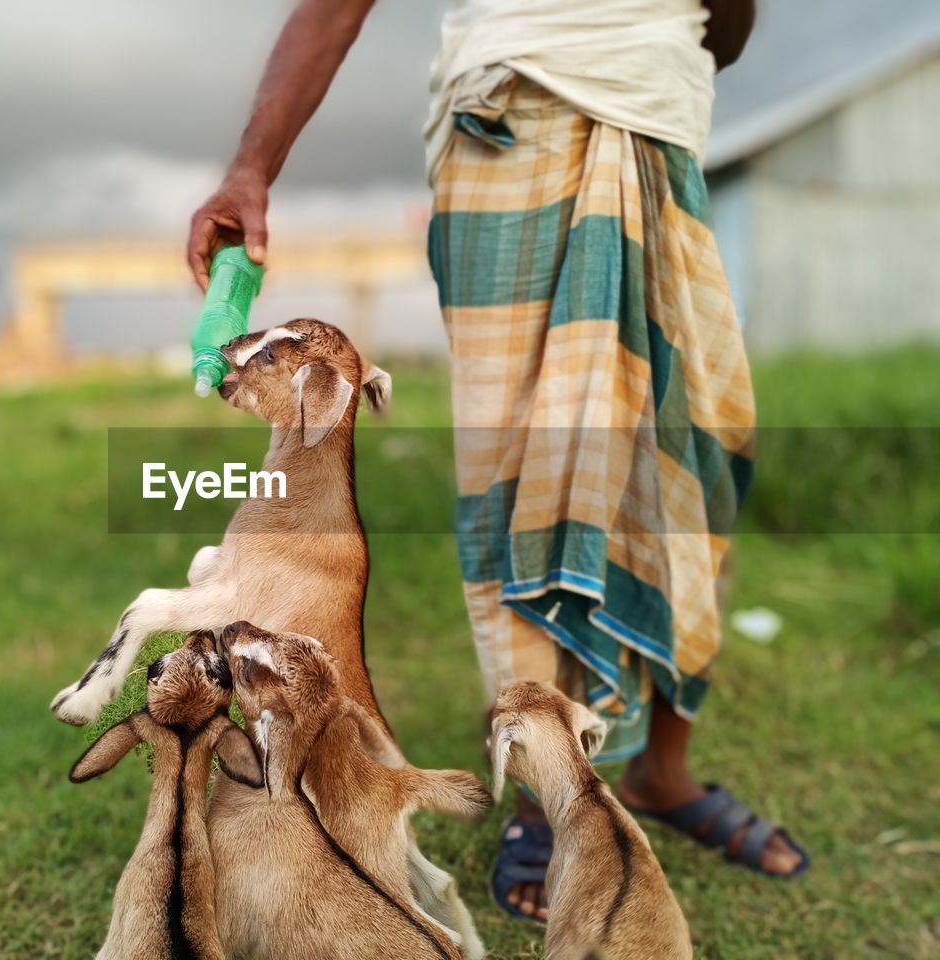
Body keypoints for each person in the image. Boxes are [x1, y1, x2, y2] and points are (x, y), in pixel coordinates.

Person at [186, 0, 809, 925]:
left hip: (658, 118)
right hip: (507, 120)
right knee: (522, 468)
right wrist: (252, 167)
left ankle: (663, 772)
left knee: (691, 453)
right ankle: (539, 793)